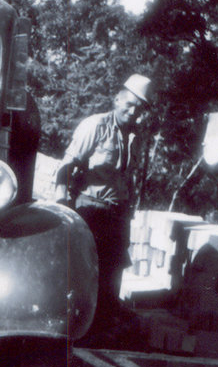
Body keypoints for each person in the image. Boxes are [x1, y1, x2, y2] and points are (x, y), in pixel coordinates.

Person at [54, 73, 153, 331]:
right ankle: (75, 331)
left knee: (114, 273)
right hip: (90, 211)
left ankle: (102, 330)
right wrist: (63, 207)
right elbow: (65, 167)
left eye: (138, 109)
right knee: (84, 272)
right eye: (128, 104)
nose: (132, 112)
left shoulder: (135, 137)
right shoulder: (95, 126)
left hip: (117, 216)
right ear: (116, 99)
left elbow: (127, 178)